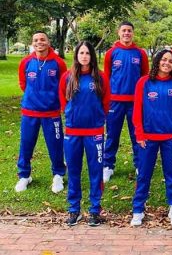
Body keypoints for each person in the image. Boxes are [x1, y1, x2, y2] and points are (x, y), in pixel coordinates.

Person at [130, 50, 172, 227]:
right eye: (164, 59)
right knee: (144, 175)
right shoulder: (144, 82)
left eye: (170, 61)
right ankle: (138, 210)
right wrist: (139, 133)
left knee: (171, 175)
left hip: (171, 138)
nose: (167, 63)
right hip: (147, 138)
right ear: (157, 61)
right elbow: (137, 110)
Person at [59, 41, 110, 226]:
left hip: (94, 132)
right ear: (76, 55)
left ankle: (94, 210)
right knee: (73, 171)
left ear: (92, 56)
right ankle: (74, 210)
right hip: (72, 132)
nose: (84, 56)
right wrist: (72, 116)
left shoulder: (100, 77)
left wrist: (97, 119)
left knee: (95, 171)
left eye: (87, 53)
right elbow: (63, 102)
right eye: (81, 52)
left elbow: (106, 102)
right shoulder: (67, 77)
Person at [16, 31, 67, 193]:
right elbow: (23, 84)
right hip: (29, 112)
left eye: (42, 39)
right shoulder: (25, 62)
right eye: (36, 40)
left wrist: (52, 101)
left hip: (51, 113)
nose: (39, 42)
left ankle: (58, 175)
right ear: (32, 43)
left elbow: (63, 86)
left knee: (56, 145)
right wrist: (34, 97)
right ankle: (24, 175)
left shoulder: (58, 63)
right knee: (26, 144)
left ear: (48, 42)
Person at [103, 21, 149, 182]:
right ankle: (108, 165)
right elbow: (106, 78)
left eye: (129, 30)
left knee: (137, 134)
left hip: (135, 102)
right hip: (115, 102)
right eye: (124, 30)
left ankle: (139, 164)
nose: (126, 33)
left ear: (133, 33)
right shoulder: (111, 53)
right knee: (112, 135)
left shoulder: (140, 53)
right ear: (119, 33)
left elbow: (145, 78)